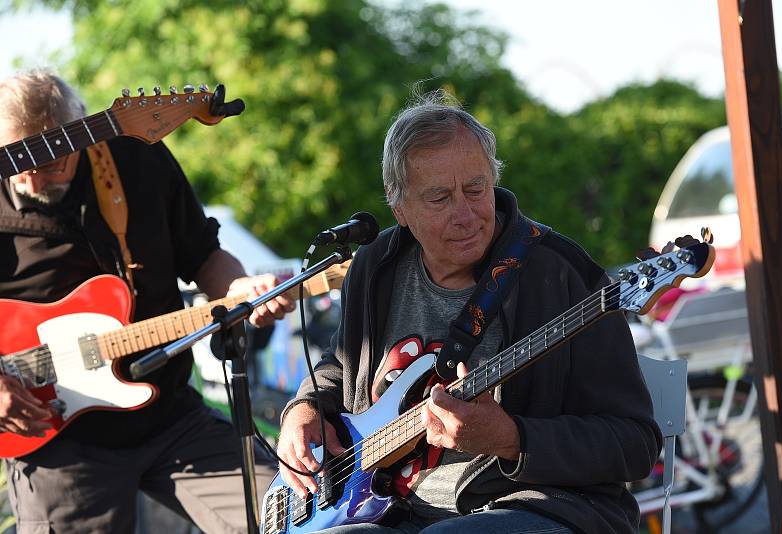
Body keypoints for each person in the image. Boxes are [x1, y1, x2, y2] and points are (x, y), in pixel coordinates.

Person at [276, 89, 662, 534]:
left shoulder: (562, 275)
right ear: (398, 205)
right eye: (440, 198)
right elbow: (340, 365)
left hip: (538, 506)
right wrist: (303, 410)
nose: (467, 215)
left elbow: (635, 443)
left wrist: (511, 439)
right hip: (388, 511)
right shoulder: (374, 266)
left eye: (476, 189)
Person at [0, 70, 292, 533]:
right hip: (58, 444)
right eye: (23, 159)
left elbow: (205, 254)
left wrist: (239, 291)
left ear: (78, 133)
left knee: (292, 508)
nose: (35, 173)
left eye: (54, 158)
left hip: (170, 414)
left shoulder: (134, 157)